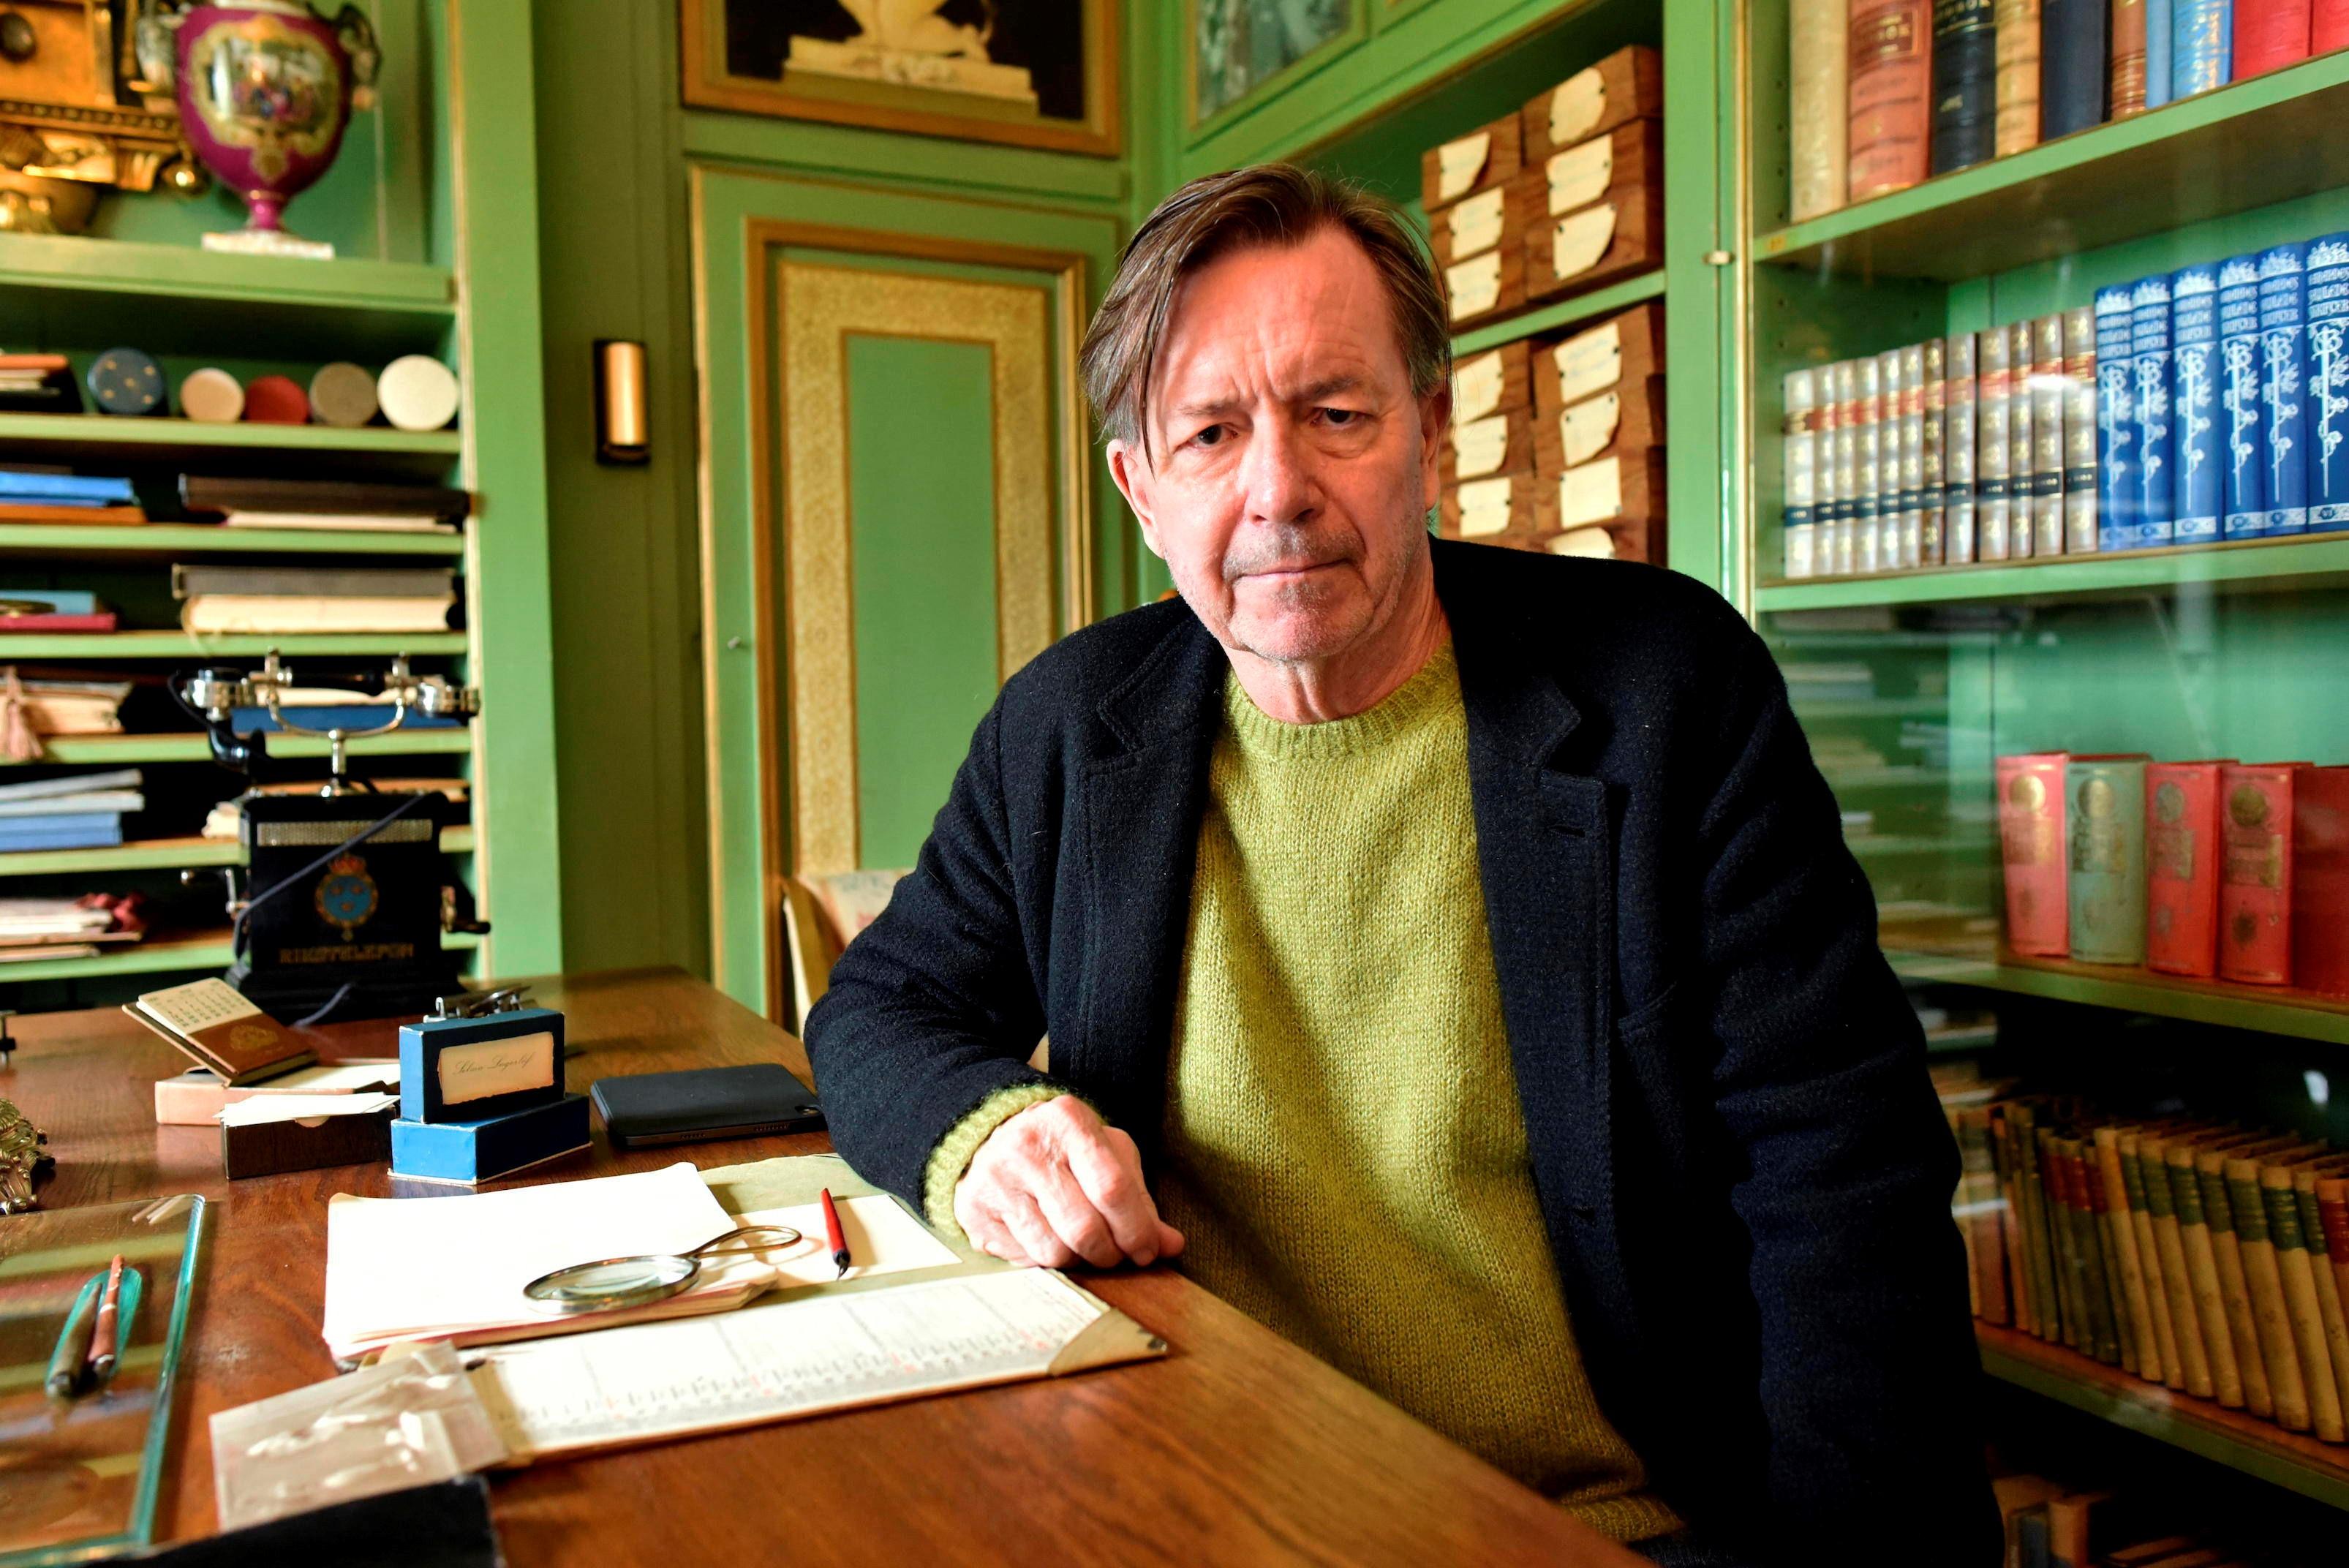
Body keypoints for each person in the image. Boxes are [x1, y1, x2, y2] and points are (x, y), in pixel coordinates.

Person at [805, 163, 1997, 1568]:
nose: (1278, 492)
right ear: (1140, 489)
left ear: (1429, 430)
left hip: (1593, 1525)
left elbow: (1841, 1185)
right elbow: (878, 1012)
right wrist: (988, 1135)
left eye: (1336, 414)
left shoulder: (1669, 690)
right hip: (1190, 1494)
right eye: (1210, 434)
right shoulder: (1067, 726)